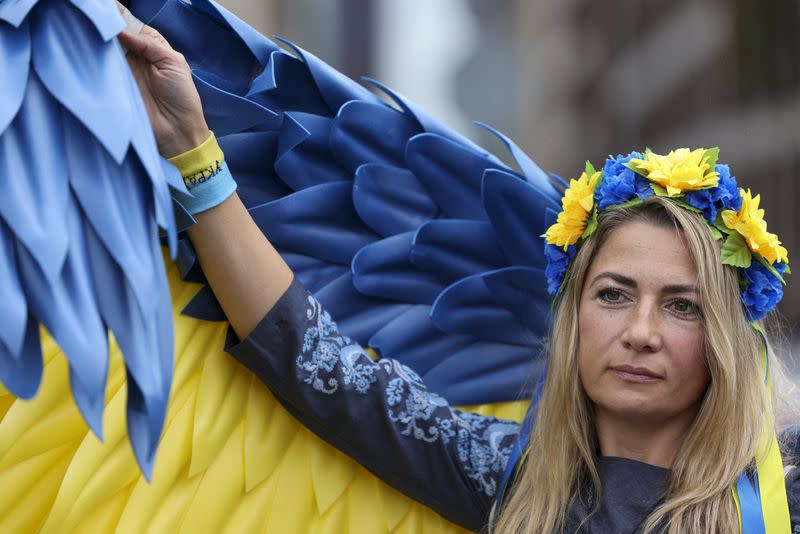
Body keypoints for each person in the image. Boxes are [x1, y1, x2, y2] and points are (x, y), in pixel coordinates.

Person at [118, 12, 799, 534]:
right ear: (572, 316)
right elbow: (312, 361)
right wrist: (191, 149)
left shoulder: (783, 495)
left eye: (682, 306)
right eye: (614, 294)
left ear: (727, 338)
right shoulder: (505, 480)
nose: (642, 332)